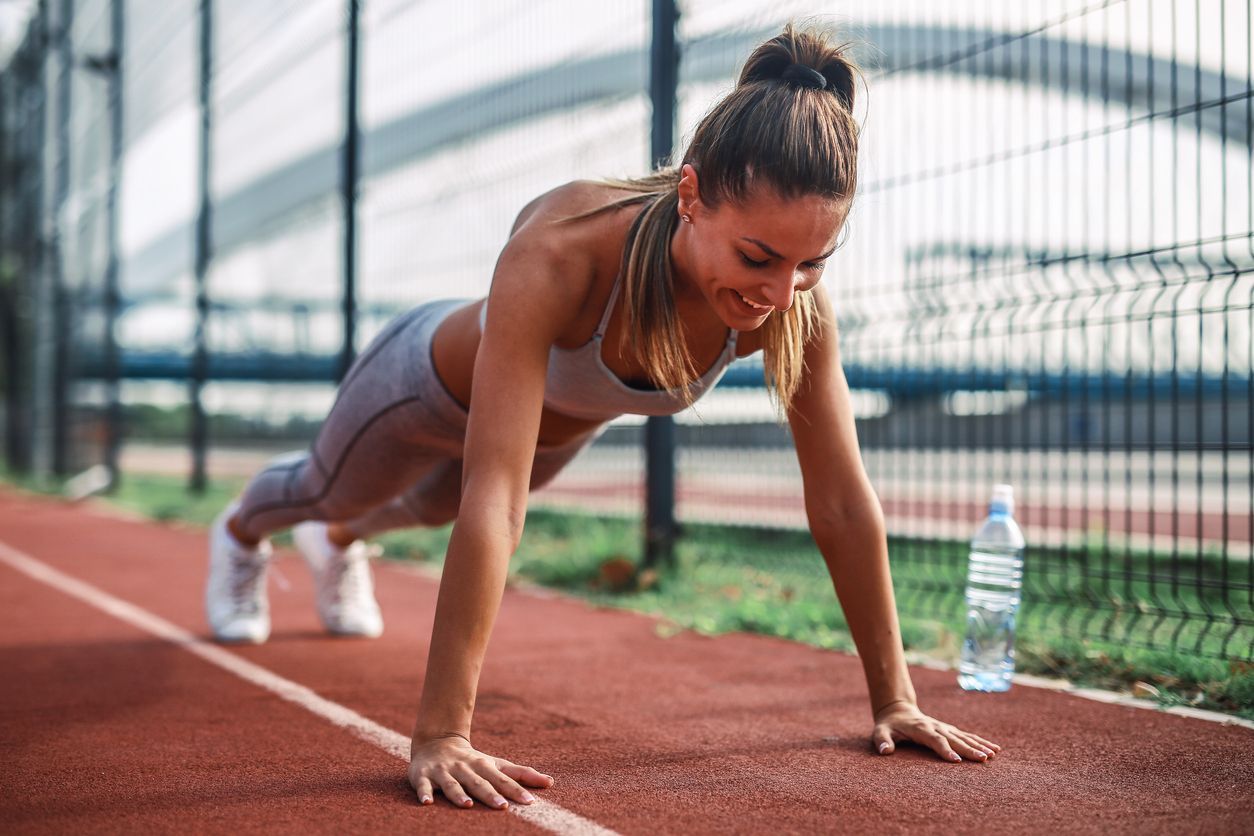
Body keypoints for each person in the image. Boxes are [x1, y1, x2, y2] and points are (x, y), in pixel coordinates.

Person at [204, 23, 1003, 812]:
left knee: (416, 509)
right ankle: (244, 532)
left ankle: (339, 546)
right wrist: (444, 733)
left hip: (559, 427)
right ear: (691, 196)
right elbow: (498, 499)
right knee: (323, 490)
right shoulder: (564, 248)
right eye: (758, 257)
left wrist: (894, 700)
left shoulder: (794, 308)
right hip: (423, 386)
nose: (778, 291)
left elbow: (838, 498)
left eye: (811, 264)